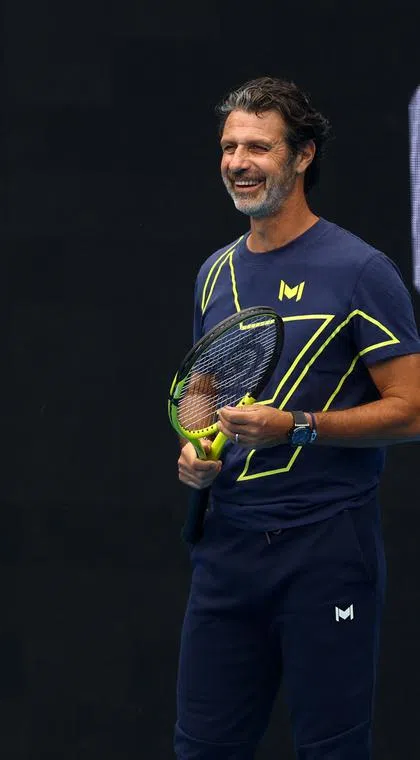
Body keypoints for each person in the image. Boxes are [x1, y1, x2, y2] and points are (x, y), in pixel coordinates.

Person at [174, 77, 420, 758]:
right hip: (228, 555)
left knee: (331, 751)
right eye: (229, 147)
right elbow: (202, 396)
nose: (238, 162)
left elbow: (414, 409)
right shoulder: (213, 275)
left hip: (326, 551)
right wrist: (198, 452)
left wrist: (301, 426)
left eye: (258, 146)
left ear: (303, 156)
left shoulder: (362, 270)